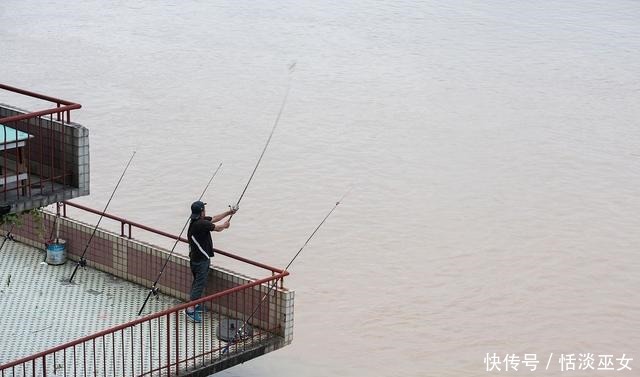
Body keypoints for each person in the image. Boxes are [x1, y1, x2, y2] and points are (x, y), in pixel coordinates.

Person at [185, 200, 236, 322]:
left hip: (195, 258)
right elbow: (218, 228)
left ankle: (195, 304)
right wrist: (225, 226)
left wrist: (229, 212)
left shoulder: (196, 222)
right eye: (204, 209)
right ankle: (190, 309)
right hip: (201, 260)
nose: (205, 211)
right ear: (201, 211)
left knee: (197, 282)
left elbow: (213, 218)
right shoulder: (200, 224)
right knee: (199, 284)